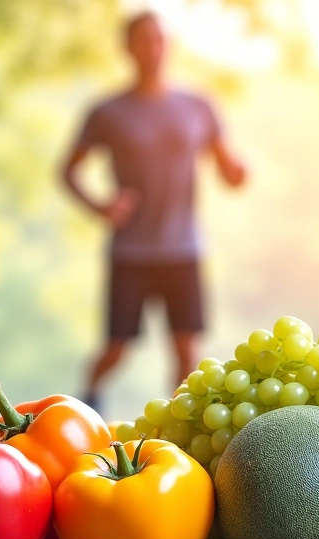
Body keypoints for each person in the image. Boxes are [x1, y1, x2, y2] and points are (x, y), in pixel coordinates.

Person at [62, 12, 247, 412]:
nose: (153, 48)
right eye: (144, 40)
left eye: (160, 39)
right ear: (128, 48)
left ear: (171, 46)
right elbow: (68, 171)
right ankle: (86, 407)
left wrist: (238, 172)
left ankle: (178, 430)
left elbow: (229, 167)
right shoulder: (108, 111)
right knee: (116, 349)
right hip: (131, 250)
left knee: (186, 351)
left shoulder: (200, 105)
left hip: (183, 248)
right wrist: (100, 205)